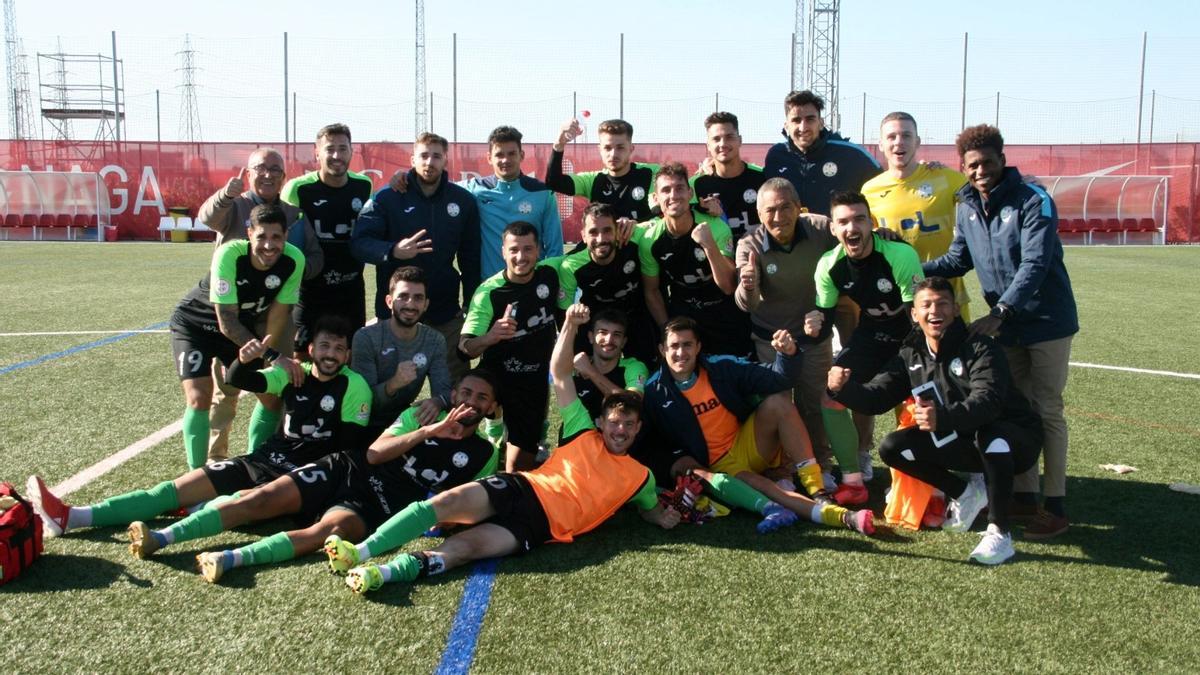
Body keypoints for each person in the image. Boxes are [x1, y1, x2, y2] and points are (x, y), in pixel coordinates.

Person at [322, 303, 682, 595]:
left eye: (629, 425)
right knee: (440, 505)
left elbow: (650, 510)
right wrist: (570, 325)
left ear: (638, 430)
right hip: (521, 487)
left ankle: (383, 573)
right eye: (614, 422)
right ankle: (362, 550)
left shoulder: (641, 477)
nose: (620, 430)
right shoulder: (582, 431)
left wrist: (666, 516)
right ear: (601, 422)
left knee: (465, 551)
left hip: (538, 527)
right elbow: (559, 373)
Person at [25, 317, 370, 544]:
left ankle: (164, 535)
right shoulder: (294, 372)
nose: (331, 354)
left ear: (348, 354)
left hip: (299, 476)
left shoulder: (354, 387)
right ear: (311, 349)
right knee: (169, 490)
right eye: (325, 346)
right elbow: (238, 379)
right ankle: (70, 515)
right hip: (260, 460)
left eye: (339, 349)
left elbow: (347, 447)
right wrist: (245, 359)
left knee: (232, 504)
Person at [150, 370, 502, 583]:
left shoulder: (485, 453)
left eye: (481, 398)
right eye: (466, 393)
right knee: (261, 499)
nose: (471, 402)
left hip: (377, 504)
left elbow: (462, 502)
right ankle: (163, 537)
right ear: (454, 394)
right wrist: (429, 432)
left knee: (328, 532)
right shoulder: (421, 416)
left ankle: (230, 559)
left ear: (490, 408)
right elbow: (375, 453)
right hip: (347, 469)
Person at [924, 124, 1078, 539]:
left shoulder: (1033, 199)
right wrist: (906, 265)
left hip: (1046, 322)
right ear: (963, 166)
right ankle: (1024, 497)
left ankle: (1056, 503)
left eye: (987, 162)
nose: (980, 171)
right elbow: (956, 260)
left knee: (1047, 408)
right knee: (1017, 409)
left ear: (1002, 158)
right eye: (972, 165)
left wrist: (1003, 310)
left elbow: (1035, 263)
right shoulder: (965, 204)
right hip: (1006, 327)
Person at [829, 277, 1042, 564]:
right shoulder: (911, 353)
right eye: (926, 305)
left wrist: (941, 417)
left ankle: (999, 533)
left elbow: (988, 403)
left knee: (992, 436)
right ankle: (965, 494)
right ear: (914, 314)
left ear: (955, 309)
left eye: (942, 304)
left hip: (1015, 441)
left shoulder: (980, 347)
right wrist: (842, 389)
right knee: (893, 447)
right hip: (965, 442)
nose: (934, 311)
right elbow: (877, 398)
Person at [639, 316, 873, 535]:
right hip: (721, 468)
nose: (681, 352)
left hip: (749, 444)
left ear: (698, 347)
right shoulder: (653, 393)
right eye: (674, 346)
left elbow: (777, 378)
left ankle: (817, 489)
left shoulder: (720, 367)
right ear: (662, 350)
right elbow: (648, 443)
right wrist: (679, 471)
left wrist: (788, 354)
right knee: (774, 492)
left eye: (687, 345)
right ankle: (843, 518)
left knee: (779, 402)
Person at [195, 148, 322, 462]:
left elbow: (316, 259)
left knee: (275, 389)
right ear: (248, 173)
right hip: (234, 315)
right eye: (260, 168)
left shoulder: (295, 215)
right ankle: (216, 459)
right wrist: (226, 193)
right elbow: (206, 218)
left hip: (276, 314)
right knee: (227, 388)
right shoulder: (235, 205)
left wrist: (283, 271)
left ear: (284, 176)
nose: (267, 174)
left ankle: (264, 455)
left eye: (275, 169)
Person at [164, 203, 306, 469]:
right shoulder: (229, 254)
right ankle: (197, 475)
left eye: (276, 237)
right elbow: (226, 319)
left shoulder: (294, 259)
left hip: (240, 332)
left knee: (271, 398)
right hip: (196, 326)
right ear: (249, 233)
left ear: (286, 236)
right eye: (261, 236)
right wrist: (273, 356)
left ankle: (254, 465)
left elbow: (278, 313)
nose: (268, 245)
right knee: (199, 397)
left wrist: (270, 356)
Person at [807, 191, 924, 505]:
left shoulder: (899, 255)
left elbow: (918, 322)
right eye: (843, 221)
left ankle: (921, 484)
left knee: (916, 401)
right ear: (833, 229)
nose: (851, 227)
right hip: (870, 335)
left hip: (911, 339)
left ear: (870, 223)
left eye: (859, 219)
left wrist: (897, 374)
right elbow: (825, 320)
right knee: (831, 394)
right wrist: (814, 326)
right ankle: (853, 481)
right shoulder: (829, 266)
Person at [735, 177, 840, 489]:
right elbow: (745, 303)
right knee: (780, 405)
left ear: (798, 208)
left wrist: (884, 234)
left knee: (816, 403)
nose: (778, 217)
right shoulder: (749, 244)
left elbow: (851, 237)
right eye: (770, 211)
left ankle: (822, 464)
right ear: (759, 213)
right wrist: (749, 285)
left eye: (785, 208)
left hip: (813, 339)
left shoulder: (821, 228)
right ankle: (784, 471)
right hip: (771, 341)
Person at [351, 132, 481, 381]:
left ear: (446, 160)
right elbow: (359, 243)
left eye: (436, 156)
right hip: (395, 314)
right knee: (388, 388)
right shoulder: (387, 197)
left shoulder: (462, 201)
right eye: (423, 155)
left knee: (454, 388)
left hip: (445, 311)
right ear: (412, 159)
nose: (429, 162)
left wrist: (470, 302)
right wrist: (393, 250)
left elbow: (470, 257)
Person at [460, 221, 566, 472]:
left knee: (518, 469)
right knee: (465, 447)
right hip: (496, 378)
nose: (521, 257)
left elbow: (588, 252)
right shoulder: (489, 292)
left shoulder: (550, 273)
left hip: (533, 382)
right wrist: (491, 336)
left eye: (528, 249)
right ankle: (493, 422)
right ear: (503, 252)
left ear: (539, 250)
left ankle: (509, 433)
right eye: (514, 250)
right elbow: (465, 348)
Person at [862, 112, 972, 320]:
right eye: (891, 137)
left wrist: (1024, 183)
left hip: (947, 294)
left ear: (918, 141)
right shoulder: (870, 190)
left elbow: (987, 192)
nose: (899, 142)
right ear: (881, 145)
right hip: (899, 298)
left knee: (955, 352)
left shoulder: (944, 177)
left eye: (906, 136)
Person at [638, 162, 752, 359]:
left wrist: (708, 245)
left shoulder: (715, 227)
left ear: (690, 193)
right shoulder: (649, 240)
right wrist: (667, 331)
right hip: (684, 314)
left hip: (723, 312)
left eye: (679, 188)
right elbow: (652, 291)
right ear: (656, 198)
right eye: (666, 190)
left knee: (733, 378)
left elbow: (728, 286)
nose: (673, 195)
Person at [283, 123, 374, 351]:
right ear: (317, 153)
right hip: (309, 290)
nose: (337, 156)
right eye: (329, 149)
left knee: (349, 353)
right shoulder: (297, 189)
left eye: (343, 149)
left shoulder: (364, 186)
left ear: (352, 152)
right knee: (302, 353)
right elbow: (284, 240)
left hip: (350, 288)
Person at [350, 267, 452, 441]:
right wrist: (393, 384)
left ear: (426, 304)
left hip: (403, 421)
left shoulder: (434, 340)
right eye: (403, 296)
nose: (410, 304)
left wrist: (438, 401)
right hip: (361, 422)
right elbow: (363, 404)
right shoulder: (366, 337)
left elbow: (443, 391)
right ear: (389, 301)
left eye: (418, 298)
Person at [556, 202, 658, 366]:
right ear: (583, 235)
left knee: (648, 368)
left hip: (636, 315)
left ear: (617, 230)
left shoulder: (634, 239)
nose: (601, 239)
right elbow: (564, 317)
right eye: (593, 232)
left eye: (607, 230)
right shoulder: (571, 266)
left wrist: (640, 223)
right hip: (598, 322)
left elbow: (663, 223)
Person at [763, 90, 881, 217]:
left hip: (838, 236)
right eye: (796, 120)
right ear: (786, 126)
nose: (803, 127)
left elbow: (883, 189)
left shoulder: (852, 155)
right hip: (791, 236)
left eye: (810, 119)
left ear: (821, 123)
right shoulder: (776, 155)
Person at [557, 305, 648, 443]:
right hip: (577, 447)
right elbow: (557, 368)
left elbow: (633, 404)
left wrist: (592, 372)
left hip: (617, 447)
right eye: (603, 332)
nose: (609, 339)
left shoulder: (634, 367)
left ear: (623, 342)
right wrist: (570, 322)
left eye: (616, 335)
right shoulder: (575, 367)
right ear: (591, 337)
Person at [546, 118, 659, 223]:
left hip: (642, 243)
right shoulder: (593, 180)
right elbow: (554, 182)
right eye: (607, 148)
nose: (613, 154)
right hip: (603, 243)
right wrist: (559, 144)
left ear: (631, 149)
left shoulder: (652, 173)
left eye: (620, 148)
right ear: (600, 150)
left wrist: (637, 226)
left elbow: (662, 211)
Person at [691, 111, 767, 241]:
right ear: (708, 146)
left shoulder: (762, 178)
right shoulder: (696, 184)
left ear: (740, 140)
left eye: (729, 137)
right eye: (716, 139)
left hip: (758, 256)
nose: (723, 144)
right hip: (717, 257)